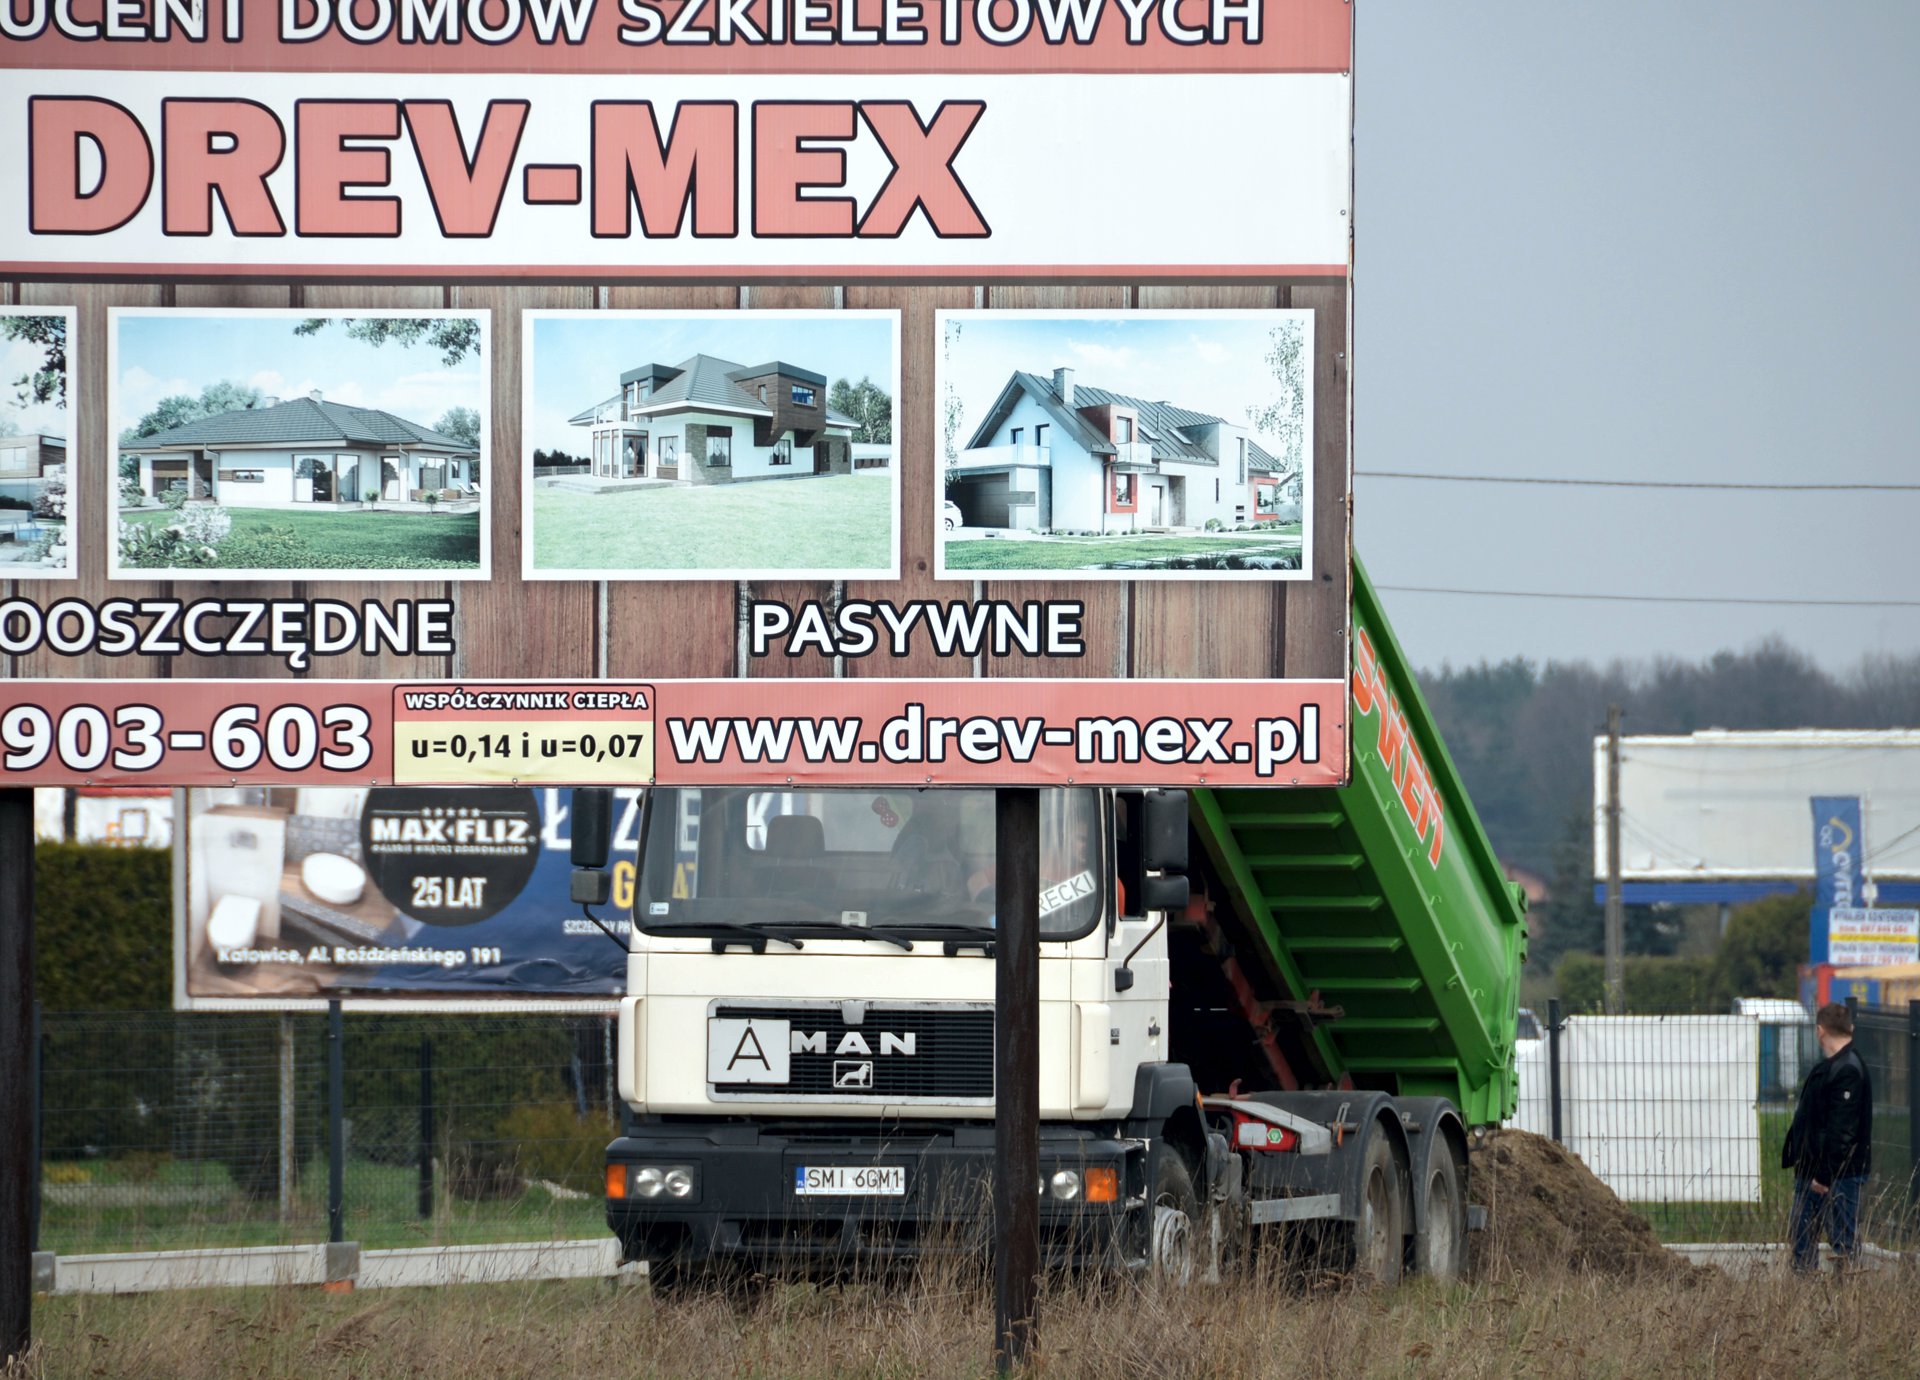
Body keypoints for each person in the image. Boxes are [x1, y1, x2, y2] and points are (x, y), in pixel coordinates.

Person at [1782, 1002, 1873, 1276]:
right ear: (1850, 1028)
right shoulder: (1834, 1066)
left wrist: (1823, 1176)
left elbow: (1842, 1132)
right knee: (1802, 1237)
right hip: (1815, 1171)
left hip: (1836, 1175)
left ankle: (1846, 1293)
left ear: (1820, 1031)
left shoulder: (1847, 1070)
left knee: (1842, 1242)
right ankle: (1805, 1290)